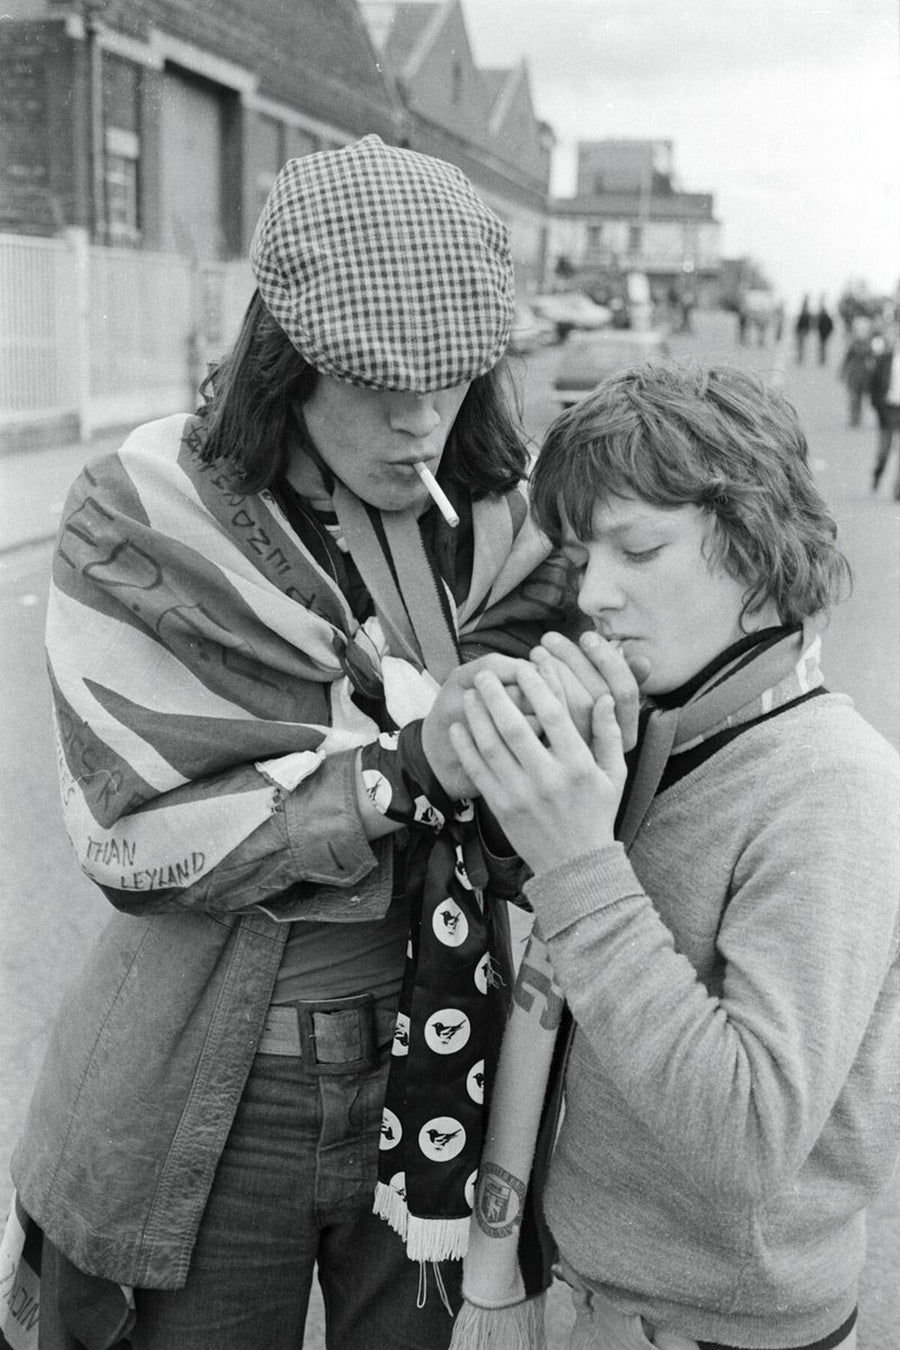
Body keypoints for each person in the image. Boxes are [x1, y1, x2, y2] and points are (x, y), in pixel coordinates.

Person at [6, 135, 569, 1349]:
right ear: (288, 357)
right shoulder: (145, 513)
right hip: (228, 1090)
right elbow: (135, 832)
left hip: (439, 1076)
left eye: (453, 377)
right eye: (377, 381)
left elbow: (566, 826)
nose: (421, 420)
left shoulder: (502, 528)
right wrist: (400, 772)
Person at [446, 363, 899, 1350]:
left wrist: (579, 865)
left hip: (723, 1327)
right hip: (596, 1293)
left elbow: (749, 1135)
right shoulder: (664, 732)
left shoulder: (834, 791)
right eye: (579, 555)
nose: (593, 595)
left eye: (639, 548)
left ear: (756, 544)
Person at [869, 322, 900, 500]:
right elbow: (874, 386)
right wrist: (879, 407)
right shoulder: (885, 359)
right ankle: (877, 474)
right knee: (884, 452)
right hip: (888, 410)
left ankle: (898, 490)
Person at [839, 315, 875, 427]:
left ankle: (857, 417)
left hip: (865, 374)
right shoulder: (853, 344)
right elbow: (846, 359)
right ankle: (853, 418)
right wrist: (842, 372)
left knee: (860, 397)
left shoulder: (869, 344)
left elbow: (874, 360)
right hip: (854, 373)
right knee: (853, 397)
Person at [816, 296, 835, 366]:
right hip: (822, 335)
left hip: (825, 335)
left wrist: (829, 333)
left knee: (823, 347)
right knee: (822, 347)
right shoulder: (822, 318)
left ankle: (823, 359)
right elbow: (818, 326)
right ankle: (821, 359)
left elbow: (831, 326)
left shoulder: (827, 318)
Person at [794, 294, 812, 363]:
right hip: (801, 331)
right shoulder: (804, 312)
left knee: (801, 346)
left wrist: (806, 330)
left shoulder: (806, 313)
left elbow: (807, 323)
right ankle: (799, 358)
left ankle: (800, 358)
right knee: (800, 346)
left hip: (802, 331)